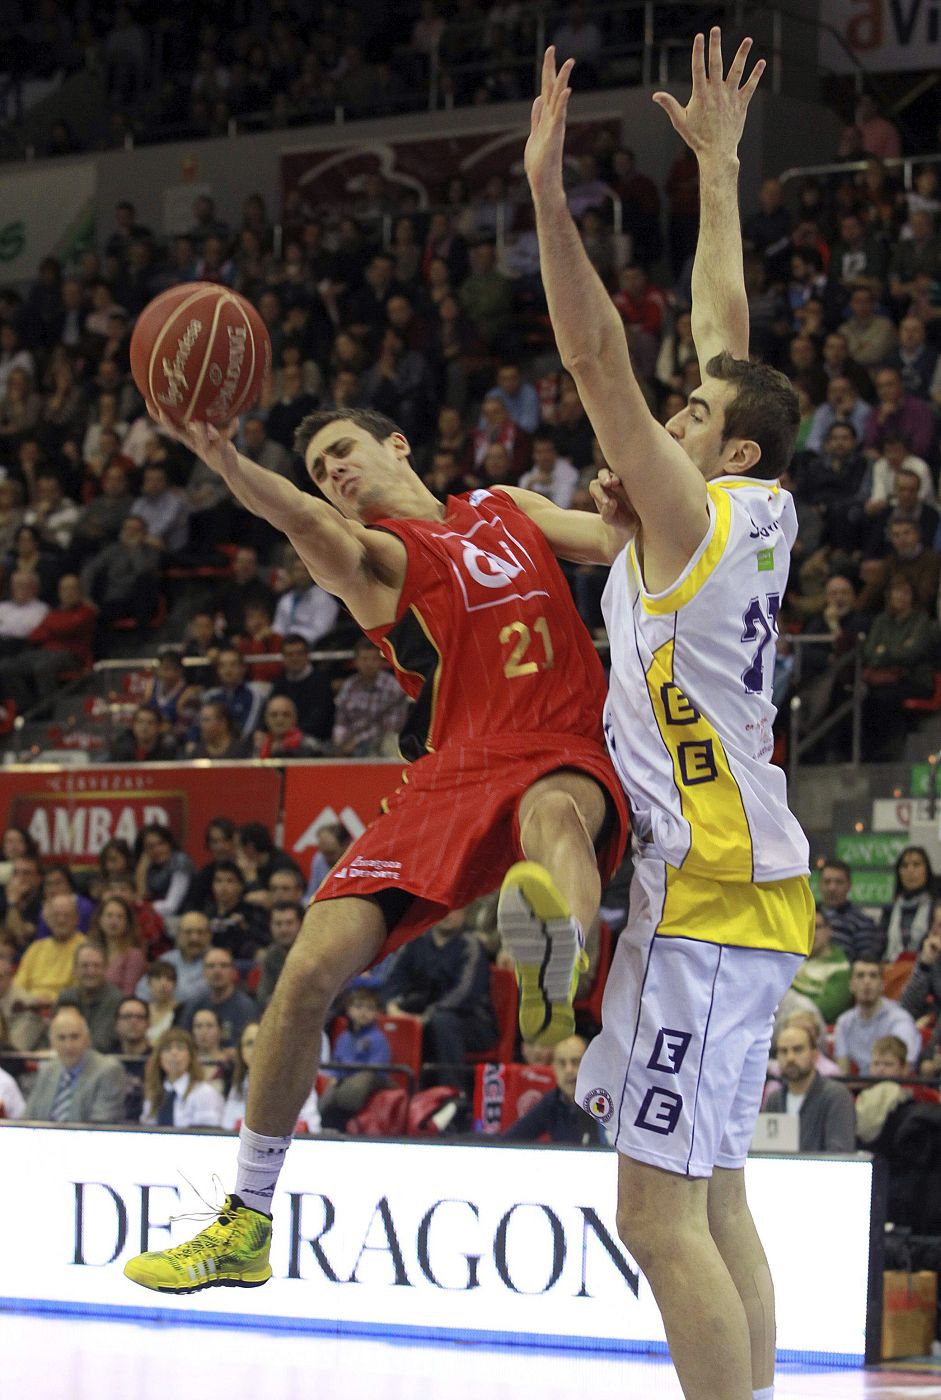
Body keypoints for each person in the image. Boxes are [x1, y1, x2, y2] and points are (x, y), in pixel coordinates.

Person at [126, 221, 629, 1294]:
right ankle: (247, 1217)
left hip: (556, 739)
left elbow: (620, 544)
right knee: (305, 971)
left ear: (398, 446)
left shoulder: (506, 509)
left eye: (343, 450)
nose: (333, 472)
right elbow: (311, 528)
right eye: (318, 466)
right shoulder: (376, 560)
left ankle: (556, 970)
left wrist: (653, 514)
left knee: (555, 819)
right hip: (449, 770)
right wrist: (223, 458)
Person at [526, 36, 814, 1400]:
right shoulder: (755, 501)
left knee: (657, 1215)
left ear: (725, 452)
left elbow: (596, 356)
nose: (673, 413)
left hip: (703, 903)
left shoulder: (694, 514)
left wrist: (543, 194)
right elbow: (724, 330)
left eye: (690, 417)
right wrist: (716, 170)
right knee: (719, 1196)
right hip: (739, 891)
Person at [761, 1018, 856, 1151]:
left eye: (798, 1049)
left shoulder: (837, 1096)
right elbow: (765, 1151)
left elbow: (840, 1155)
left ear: (815, 1054)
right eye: (783, 1051)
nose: (790, 1058)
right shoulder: (774, 1099)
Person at [24, 1006, 125, 1123]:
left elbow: (101, 1125)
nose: (68, 1045)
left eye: (75, 1037)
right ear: (52, 1042)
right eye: (61, 1038)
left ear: (87, 1039)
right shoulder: (47, 1069)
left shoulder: (108, 1070)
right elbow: (28, 1119)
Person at [504, 1033, 605, 1144]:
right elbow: (509, 1140)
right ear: (553, 1068)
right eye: (562, 1063)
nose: (569, 1070)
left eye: (575, 1062)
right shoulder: (552, 1101)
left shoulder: (603, 1101)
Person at [223, 1021, 323, 1133]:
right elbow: (228, 1126)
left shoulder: (298, 1082)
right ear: (241, 1051)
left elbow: (312, 1127)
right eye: (250, 1043)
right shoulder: (239, 1087)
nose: (256, 1048)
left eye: (262, 1041)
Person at [318, 987, 391, 1130]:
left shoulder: (378, 1039)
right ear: (349, 1010)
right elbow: (337, 1064)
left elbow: (376, 1069)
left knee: (359, 1083)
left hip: (368, 1080)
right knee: (329, 1087)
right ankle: (321, 1125)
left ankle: (341, 1124)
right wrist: (333, 1078)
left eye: (370, 1008)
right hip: (345, 1080)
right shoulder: (343, 1038)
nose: (364, 1012)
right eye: (359, 1007)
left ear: (377, 1013)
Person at [834, 960, 921, 1073]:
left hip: (892, 1086)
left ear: (882, 985)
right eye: (860, 976)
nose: (867, 981)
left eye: (873, 976)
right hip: (858, 1087)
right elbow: (843, 1073)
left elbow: (904, 1070)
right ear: (851, 985)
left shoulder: (900, 1020)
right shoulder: (844, 1022)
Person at [330, 636, 410, 757]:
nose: (369, 664)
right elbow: (341, 721)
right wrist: (341, 742)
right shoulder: (349, 686)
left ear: (381, 662)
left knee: (390, 743)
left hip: (381, 744)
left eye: (373, 659)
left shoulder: (393, 687)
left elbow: (393, 726)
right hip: (350, 745)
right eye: (364, 659)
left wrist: (357, 740)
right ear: (355, 662)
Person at [11, 892, 87, 1011]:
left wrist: (53, 1000)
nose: (61, 920)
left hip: (64, 1008)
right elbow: (18, 984)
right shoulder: (36, 948)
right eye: (56, 915)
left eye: (66, 915)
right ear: (48, 919)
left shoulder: (85, 949)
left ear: (76, 919)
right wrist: (30, 1000)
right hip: (30, 1006)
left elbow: (82, 990)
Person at [177, 947, 257, 1052]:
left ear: (233, 972)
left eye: (223, 966)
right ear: (203, 972)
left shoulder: (245, 1007)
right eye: (211, 966)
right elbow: (182, 1041)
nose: (217, 971)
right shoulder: (194, 1004)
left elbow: (248, 1047)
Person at [140, 1027, 224, 1128]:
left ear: (190, 1056)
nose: (174, 1053)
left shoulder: (205, 1093)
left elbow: (210, 1135)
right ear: (159, 1058)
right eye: (167, 1049)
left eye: (180, 1048)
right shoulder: (153, 1093)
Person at [56, 943, 124, 1053]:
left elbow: (102, 1043)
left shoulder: (116, 999)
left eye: (96, 966)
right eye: (85, 966)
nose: (91, 972)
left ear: (106, 969)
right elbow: (55, 1035)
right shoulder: (66, 997)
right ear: (75, 969)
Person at [790, 906, 852, 1024]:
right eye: (806, 927)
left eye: (816, 927)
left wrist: (792, 1001)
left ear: (829, 930)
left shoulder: (840, 967)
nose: (811, 933)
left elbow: (828, 1009)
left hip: (814, 1025)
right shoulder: (791, 958)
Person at [818, 858, 884, 963]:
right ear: (819, 884)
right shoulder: (806, 917)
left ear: (849, 886)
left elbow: (865, 963)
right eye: (827, 882)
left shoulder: (863, 923)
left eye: (839, 882)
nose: (832, 887)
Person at [881, 846, 936, 961]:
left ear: (926, 870)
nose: (910, 871)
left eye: (916, 865)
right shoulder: (889, 910)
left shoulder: (936, 909)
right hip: (892, 970)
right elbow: (880, 945)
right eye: (904, 866)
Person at [899, 909, 941, 1021]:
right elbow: (906, 1009)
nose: (936, 931)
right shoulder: (933, 955)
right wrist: (925, 965)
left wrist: (932, 1016)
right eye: (937, 925)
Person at [145, 961, 178, 1044]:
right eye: (157, 978)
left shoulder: (181, 1012)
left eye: (169, 979)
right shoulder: (141, 1011)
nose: (163, 984)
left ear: (175, 985)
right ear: (149, 983)